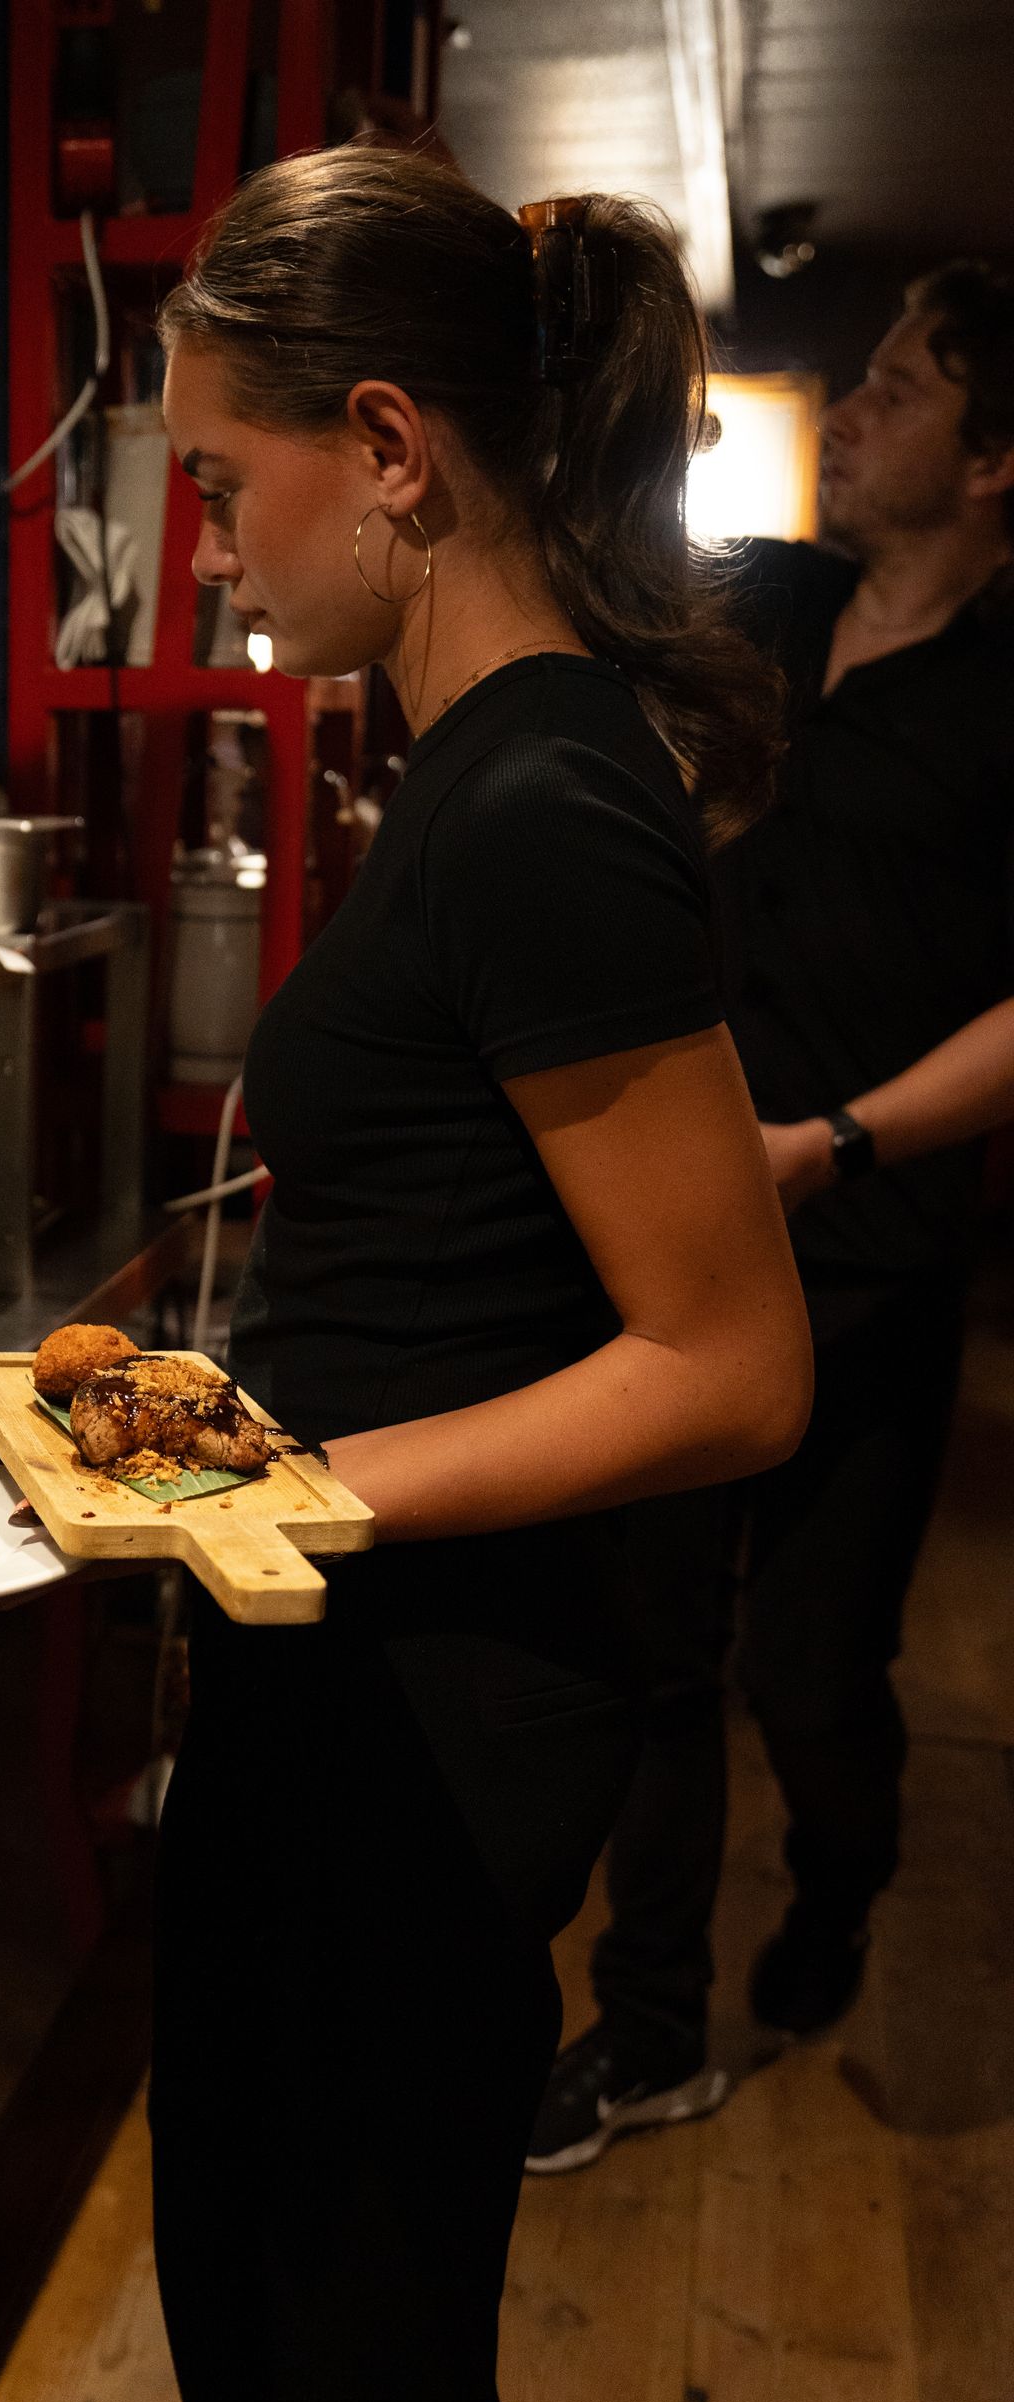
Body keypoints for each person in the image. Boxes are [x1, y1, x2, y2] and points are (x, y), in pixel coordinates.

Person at [109, 147, 814, 2402]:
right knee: (277, 2281)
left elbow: (732, 1365)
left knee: (347, 2355)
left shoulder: (539, 793)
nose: (212, 547)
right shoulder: (481, 761)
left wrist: (267, 1491)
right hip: (358, 1653)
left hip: (440, 1702)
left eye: (225, 481)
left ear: (390, 452)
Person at [527, 261, 1014, 2177]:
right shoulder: (772, 602)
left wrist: (843, 1141)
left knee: (809, 1669)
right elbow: (596, 577)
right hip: (687, 1233)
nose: (859, 411)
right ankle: (648, 2026)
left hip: (873, 1240)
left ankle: (838, 1887)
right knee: (658, 1648)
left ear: (994, 461)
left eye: (901, 387)